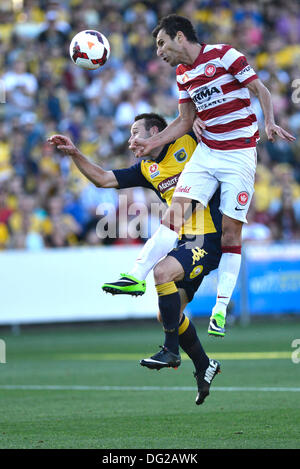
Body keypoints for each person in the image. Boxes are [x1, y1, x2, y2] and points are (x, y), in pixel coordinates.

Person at [104, 14, 296, 338]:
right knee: (173, 214)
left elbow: (259, 88)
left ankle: (220, 309)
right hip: (207, 153)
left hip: (238, 156)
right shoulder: (182, 75)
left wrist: (270, 122)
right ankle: (136, 274)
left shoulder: (225, 56)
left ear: (180, 37)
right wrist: (150, 142)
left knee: (231, 236)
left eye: (161, 43)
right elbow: (183, 121)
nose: (159, 51)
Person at [48, 112, 221, 405]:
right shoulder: (147, 168)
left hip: (209, 236)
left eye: (134, 133)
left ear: (155, 130)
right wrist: (75, 154)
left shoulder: (188, 140)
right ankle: (205, 365)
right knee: (168, 314)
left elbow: (195, 115)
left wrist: (198, 120)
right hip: (183, 239)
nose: (130, 141)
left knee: (161, 272)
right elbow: (103, 179)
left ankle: (170, 350)